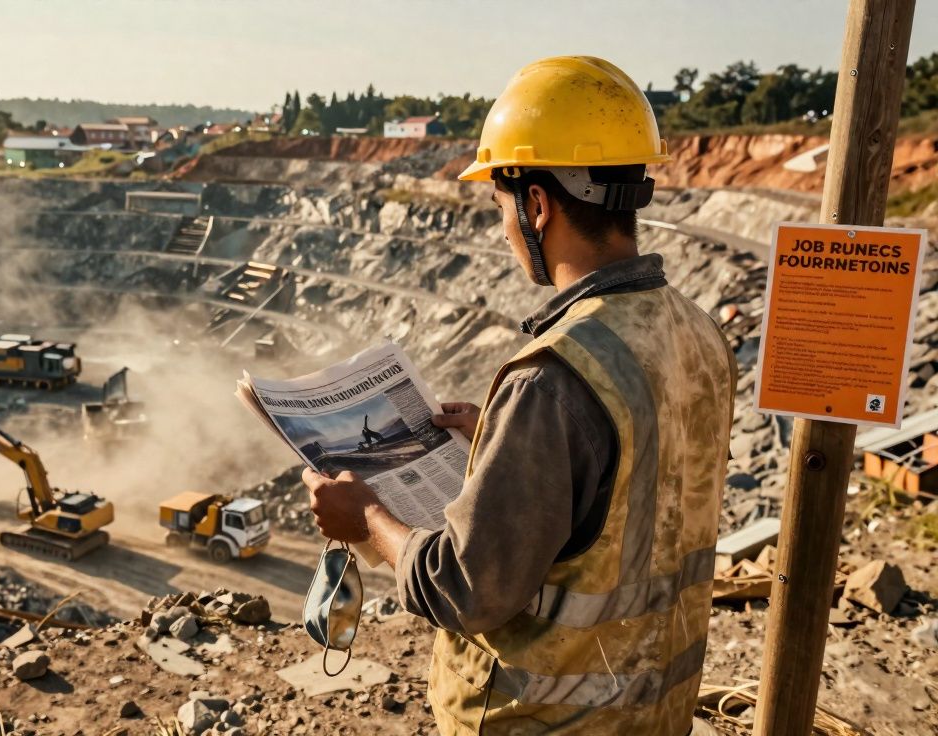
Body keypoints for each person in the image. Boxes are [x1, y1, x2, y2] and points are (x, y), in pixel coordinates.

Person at [302, 56, 736, 735]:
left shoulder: (555, 378)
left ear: (537, 205)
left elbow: (465, 589)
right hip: (654, 710)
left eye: (503, 206)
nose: (505, 229)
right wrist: (502, 442)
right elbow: (634, 488)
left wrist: (368, 521)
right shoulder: (697, 334)